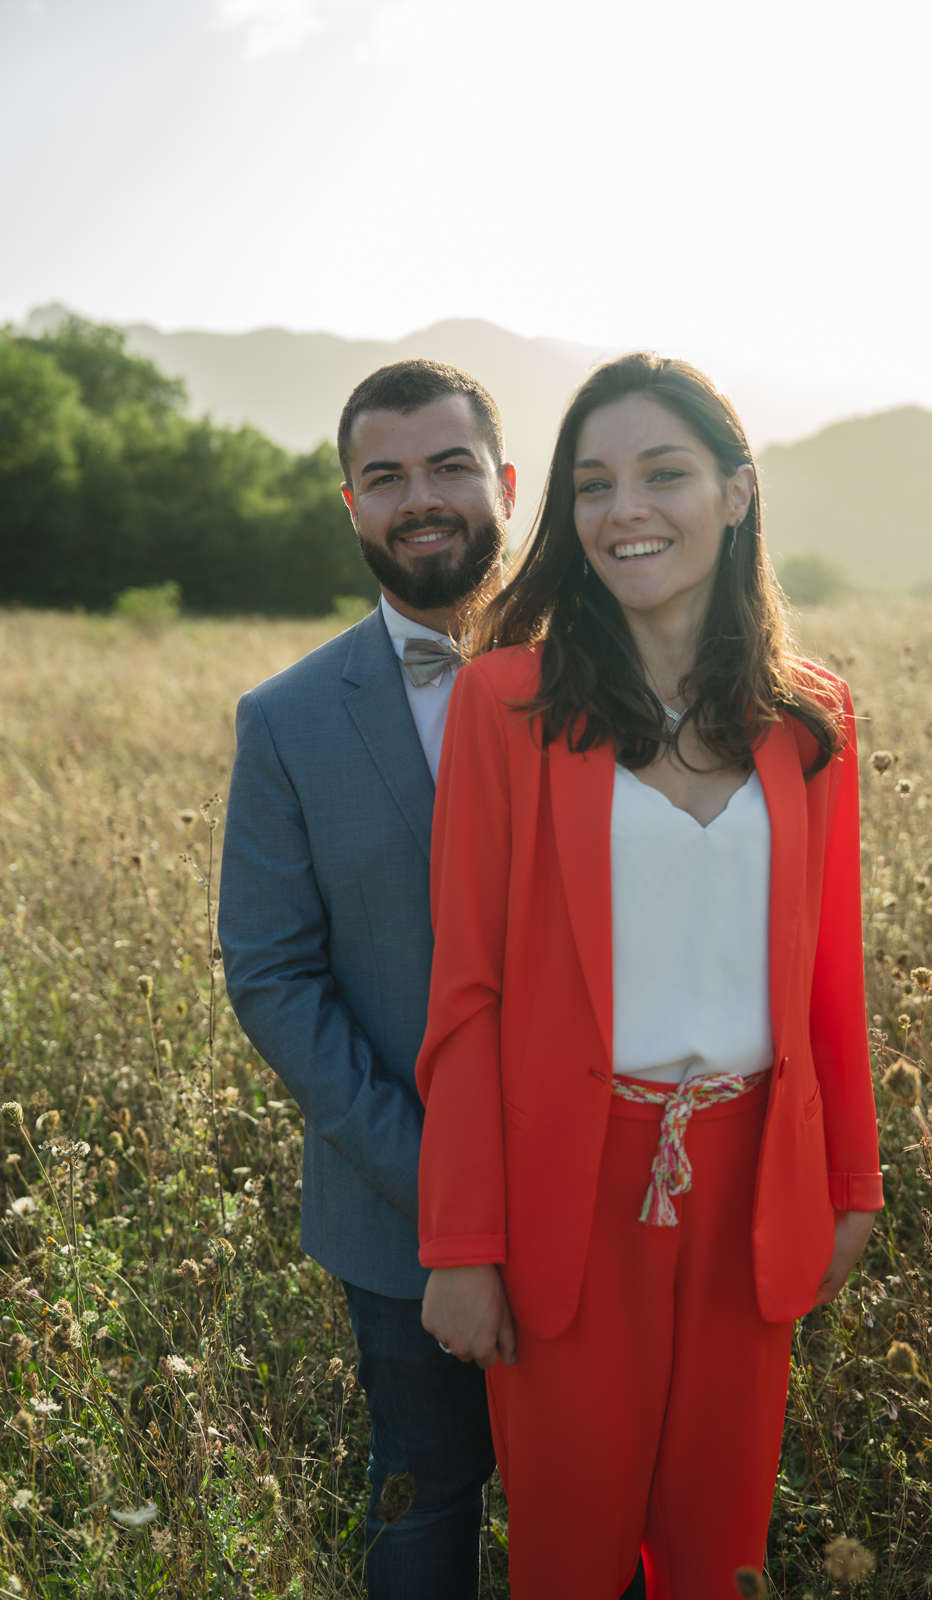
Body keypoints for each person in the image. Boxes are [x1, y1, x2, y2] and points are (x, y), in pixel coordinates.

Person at [415, 353, 884, 1600]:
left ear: (735, 493)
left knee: (715, 1554)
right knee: (566, 1559)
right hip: (571, 1188)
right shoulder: (504, 706)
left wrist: (851, 1181)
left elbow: (828, 976)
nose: (625, 509)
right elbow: (465, 991)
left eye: (661, 473)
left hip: (752, 1191)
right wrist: (461, 1241)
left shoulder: (809, 717)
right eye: (591, 484)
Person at [218, 359, 517, 1600]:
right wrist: (434, 1182)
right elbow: (274, 976)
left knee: (619, 1504)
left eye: (449, 466)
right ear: (350, 504)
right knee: (423, 1492)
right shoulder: (285, 719)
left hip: (612, 1190)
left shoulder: (616, 679)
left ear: (504, 483)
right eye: (385, 476)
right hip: (396, 1212)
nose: (420, 498)